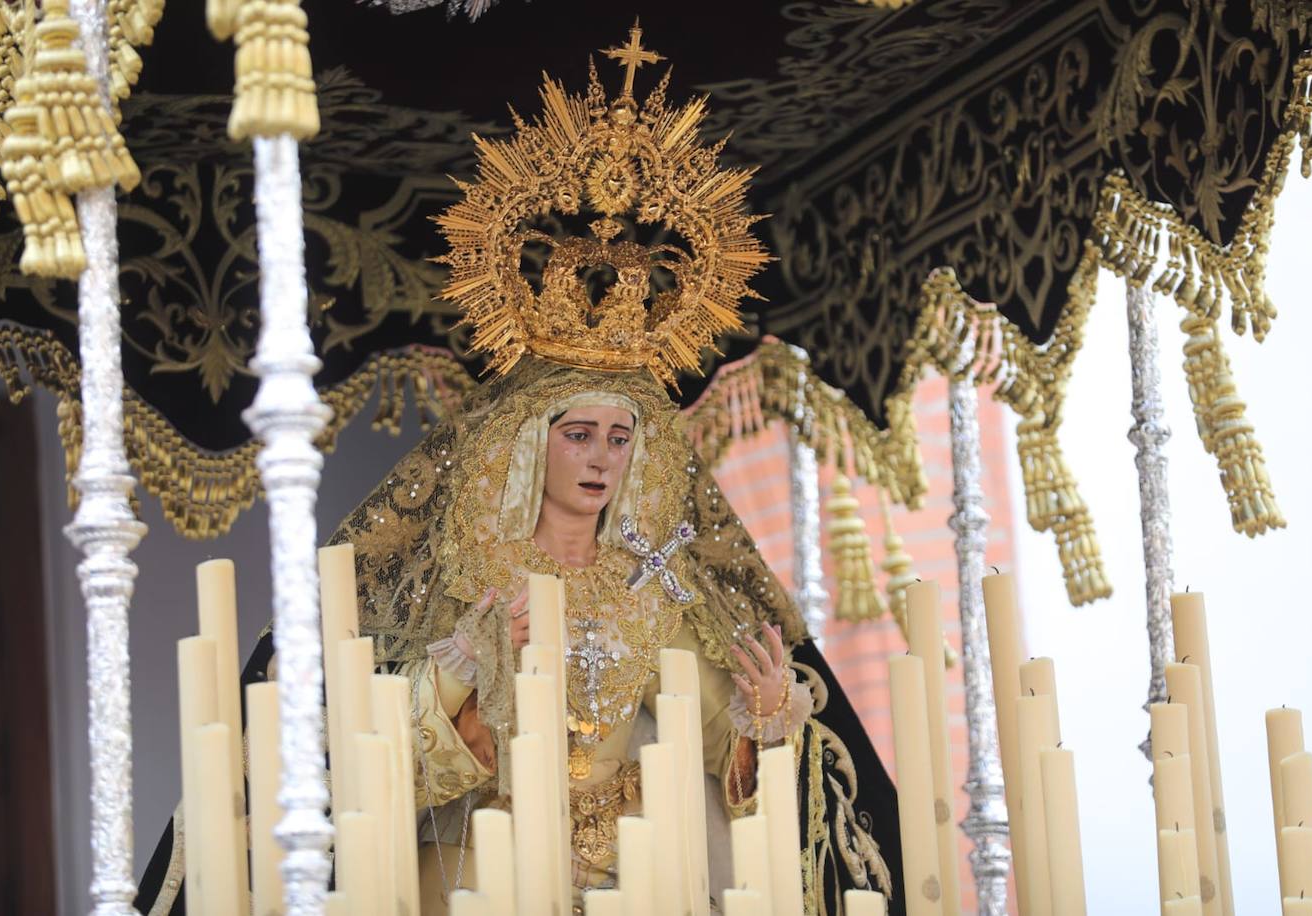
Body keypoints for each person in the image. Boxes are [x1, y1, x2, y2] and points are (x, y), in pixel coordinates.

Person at [137, 26, 904, 914]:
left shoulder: (651, 582)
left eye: (620, 440)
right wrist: (461, 667)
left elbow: (711, 742)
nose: (601, 461)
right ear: (527, 443)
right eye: (579, 434)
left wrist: (764, 725)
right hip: (475, 877)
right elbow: (374, 757)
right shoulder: (465, 575)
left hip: (636, 879)